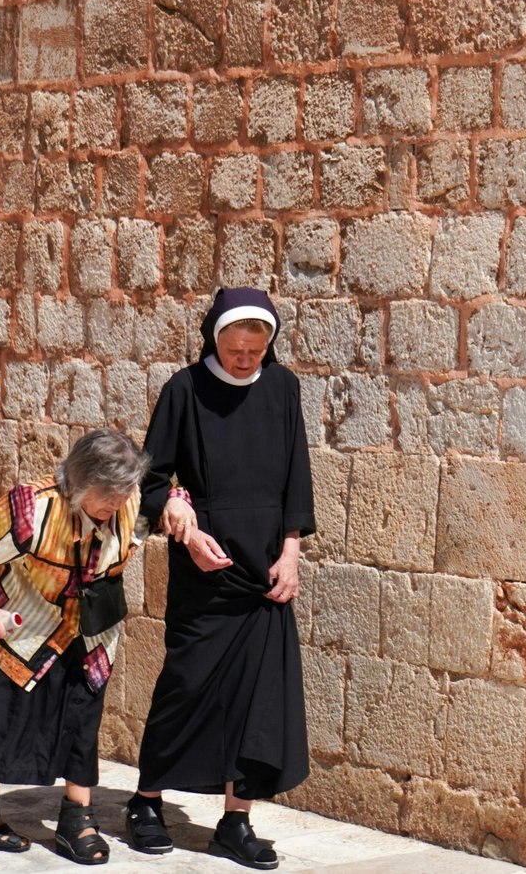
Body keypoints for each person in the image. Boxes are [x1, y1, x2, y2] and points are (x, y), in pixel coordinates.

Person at [125, 287, 315, 869]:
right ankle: (147, 802)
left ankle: (237, 820)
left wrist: (291, 554)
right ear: (214, 339)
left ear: (269, 346)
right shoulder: (183, 390)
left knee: (260, 702)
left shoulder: (283, 390)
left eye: (254, 351)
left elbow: (296, 477)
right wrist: (178, 520)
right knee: (186, 686)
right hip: (205, 568)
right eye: (233, 348)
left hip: (264, 572)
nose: (242, 359)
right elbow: (150, 481)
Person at [0, 428, 149, 866]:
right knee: (4, 720)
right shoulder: (32, 508)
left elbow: (164, 501)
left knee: (82, 720)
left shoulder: (130, 502)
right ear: (78, 483)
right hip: (27, 625)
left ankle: (77, 819)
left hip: (92, 631)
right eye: (106, 494)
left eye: (122, 493)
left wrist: (181, 503)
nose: (115, 504)